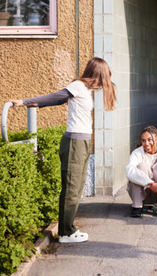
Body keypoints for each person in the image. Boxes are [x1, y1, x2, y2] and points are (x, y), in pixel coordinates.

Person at [9, 57, 117, 243]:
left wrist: (39, 104)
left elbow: (60, 101)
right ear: (96, 73)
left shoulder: (85, 90)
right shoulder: (78, 85)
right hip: (74, 142)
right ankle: (66, 233)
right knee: (72, 188)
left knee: (77, 187)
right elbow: (57, 96)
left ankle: (69, 228)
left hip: (82, 142)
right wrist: (25, 101)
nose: (102, 83)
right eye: (102, 77)